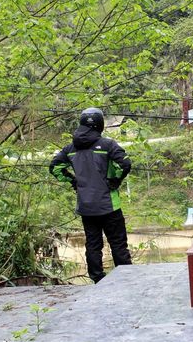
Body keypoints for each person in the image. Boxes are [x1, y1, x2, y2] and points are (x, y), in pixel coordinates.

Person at [49, 107, 132, 283]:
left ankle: (98, 279)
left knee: (93, 244)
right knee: (118, 243)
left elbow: (54, 167)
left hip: (86, 207)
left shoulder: (70, 148)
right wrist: (115, 180)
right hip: (109, 205)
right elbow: (125, 164)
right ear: (100, 124)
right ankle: (126, 279)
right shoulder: (107, 145)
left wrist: (73, 181)